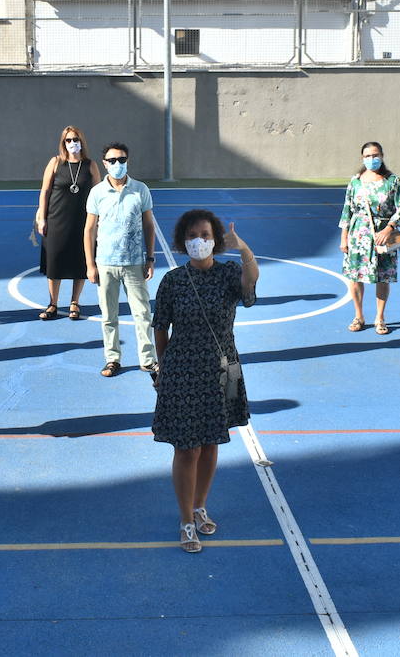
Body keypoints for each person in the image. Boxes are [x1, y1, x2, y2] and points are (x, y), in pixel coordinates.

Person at [151, 210, 259, 553]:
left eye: (206, 234)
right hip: (182, 370)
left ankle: (200, 505)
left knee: (211, 443)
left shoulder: (228, 273)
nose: (199, 240)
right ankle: (185, 519)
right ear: (184, 241)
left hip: (220, 369)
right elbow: (160, 326)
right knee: (187, 448)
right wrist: (163, 367)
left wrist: (243, 250)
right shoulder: (172, 280)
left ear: (215, 239)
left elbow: (249, 286)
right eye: (193, 235)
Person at [84, 142, 157, 378]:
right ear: (104, 163)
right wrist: (90, 264)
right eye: (113, 160)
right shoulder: (97, 192)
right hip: (106, 264)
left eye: (122, 160)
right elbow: (89, 230)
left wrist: (150, 257)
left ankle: (148, 359)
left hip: (134, 263)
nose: (118, 164)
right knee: (109, 316)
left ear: (128, 161)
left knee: (143, 314)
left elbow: (148, 224)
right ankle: (112, 359)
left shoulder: (140, 189)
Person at [35, 125, 101, 320]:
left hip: (82, 221)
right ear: (63, 143)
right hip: (56, 220)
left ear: (82, 141)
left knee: (79, 261)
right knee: (54, 261)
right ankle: (52, 304)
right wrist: (42, 217)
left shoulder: (90, 165)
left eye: (76, 139)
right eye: (69, 140)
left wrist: (99, 222)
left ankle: (75, 302)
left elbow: (98, 194)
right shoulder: (55, 163)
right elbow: (45, 191)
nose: (73, 143)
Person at [339, 141, 400, 335]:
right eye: (367, 156)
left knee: (382, 277)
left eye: (375, 155)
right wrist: (344, 238)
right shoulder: (356, 181)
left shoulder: (392, 181)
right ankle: (358, 316)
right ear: (362, 158)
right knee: (355, 276)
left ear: (382, 156)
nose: (372, 159)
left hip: (383, 236)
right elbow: (347, 210)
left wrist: (388, 229)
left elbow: (399, 210)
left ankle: (380, 318)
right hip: (358, 234)